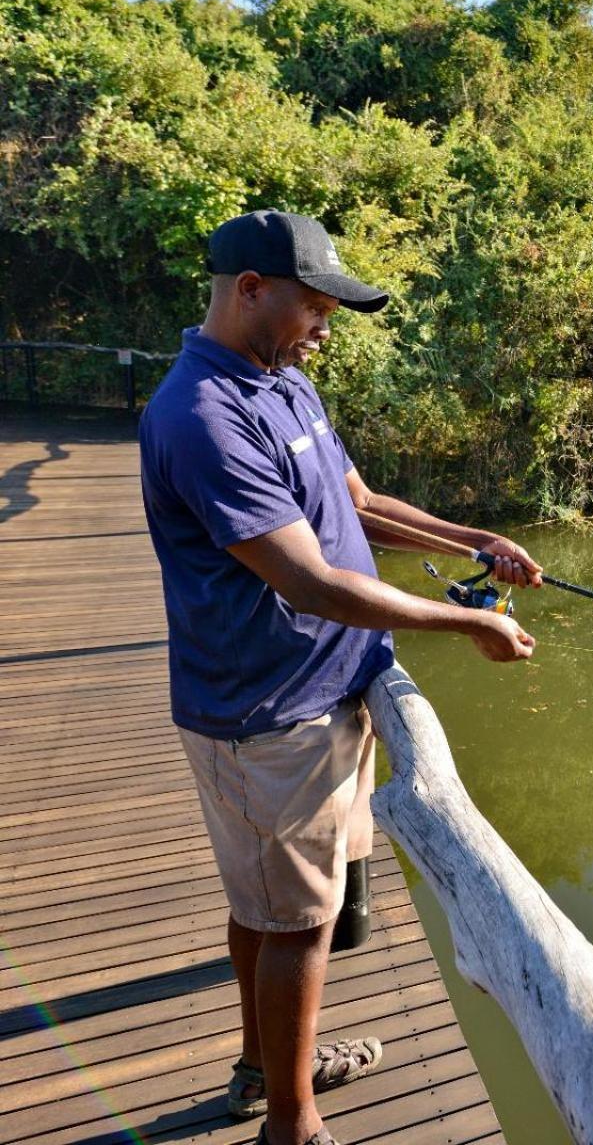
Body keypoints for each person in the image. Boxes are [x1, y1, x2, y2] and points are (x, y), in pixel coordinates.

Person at [139, 209, 542, 1145]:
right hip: (269, 715)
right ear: (250, 291)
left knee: (268, 908)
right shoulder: (203, 413)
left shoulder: (286, 385)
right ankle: (293, 1123)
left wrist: (471, 540)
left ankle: (261, 1067)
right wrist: (467, 621)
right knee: (297, 927)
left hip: (311, 699)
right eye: (314, 307)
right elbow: (310, 580)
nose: (324, 328)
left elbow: (358, 507)